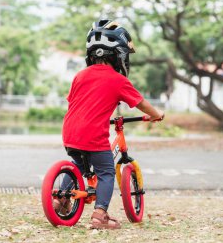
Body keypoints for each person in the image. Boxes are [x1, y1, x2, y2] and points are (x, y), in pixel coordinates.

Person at [59, 19, 164, 229]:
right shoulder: (118, 80)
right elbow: (140, 103)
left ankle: (60, 199)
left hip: (70, 133)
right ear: (119, 54)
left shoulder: (80, 76)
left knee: (79, 166)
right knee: (106, 172)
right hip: (92, 136)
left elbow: (74, 102)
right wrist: (156, 114)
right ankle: (100, 215)